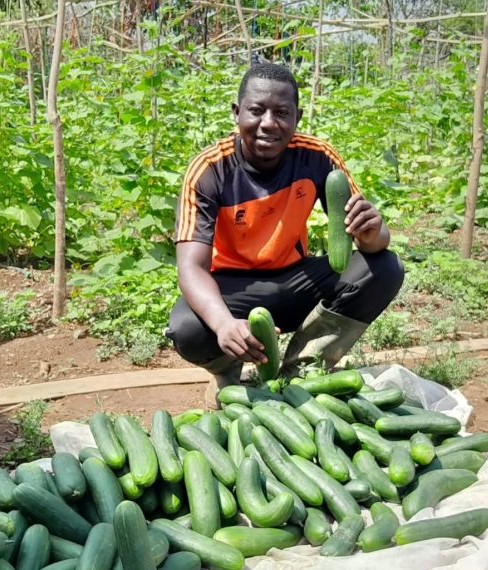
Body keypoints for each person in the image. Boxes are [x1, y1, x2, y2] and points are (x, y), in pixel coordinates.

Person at [165, 62, 404, 404]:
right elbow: (191, 268)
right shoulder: (210, 169)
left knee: (384, 268)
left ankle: (302, 370)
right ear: (236, 113)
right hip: (231, 289)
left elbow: (372, 241)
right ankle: (230, 376)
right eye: (256, 110)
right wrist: (222, 324)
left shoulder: (317, 157)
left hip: (294, 280)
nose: (268, 123)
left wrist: (375, 231)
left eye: (281, 113)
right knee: (187, 328)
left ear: (298, 117)